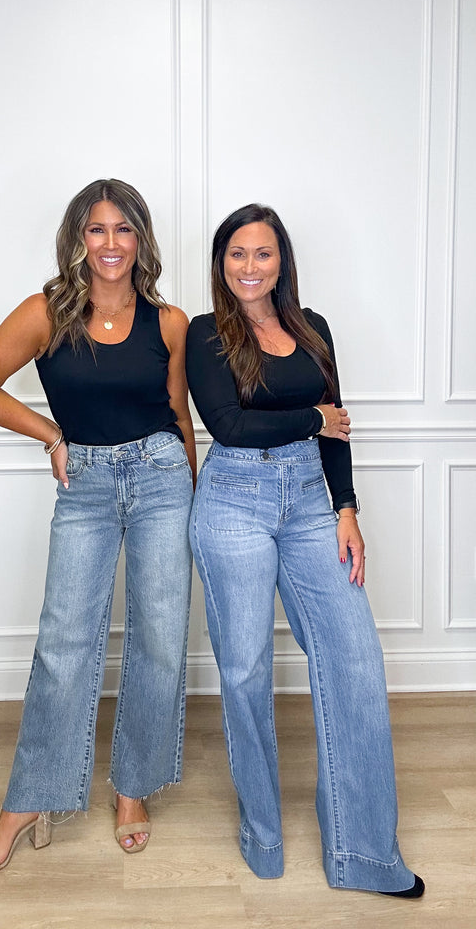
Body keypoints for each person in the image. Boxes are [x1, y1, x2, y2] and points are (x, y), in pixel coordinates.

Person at [0, 178, 195, 876]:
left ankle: (133, 788)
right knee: (63, 643)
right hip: (85, 485)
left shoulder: (170, 322)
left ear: (141, 239)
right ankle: (30, 800)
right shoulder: (46, 312)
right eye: (97, 229)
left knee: (159, 639)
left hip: (162, 480)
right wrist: (51, 436)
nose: (111, 243)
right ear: (78, 239)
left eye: (124, 229)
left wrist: (195, 491)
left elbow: (179, 415)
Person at [186, 203, 424, 898]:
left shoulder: (311, 326)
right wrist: (311, 417)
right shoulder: (206, 333)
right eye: (236, 253)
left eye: (262, 253)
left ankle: (366, 856)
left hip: (310, 503)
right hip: (233, 501)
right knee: (245, 671)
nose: (249, 266)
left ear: (281, 261)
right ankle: (262, 835)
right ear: (221, 263)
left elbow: (336, 425)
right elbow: (229, 426)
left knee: (354, 658)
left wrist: (345, 508)